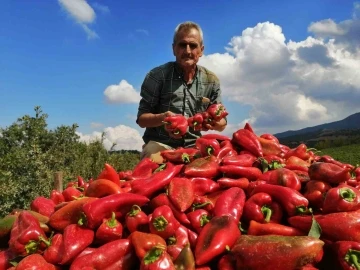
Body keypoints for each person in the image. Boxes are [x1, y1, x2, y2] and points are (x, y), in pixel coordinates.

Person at [136, 21, 227, 163]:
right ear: (174, 49)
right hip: (161, 144)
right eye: (182, 45)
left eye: (193, 45)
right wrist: (163, 118)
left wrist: (214, 122)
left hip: (195, 145)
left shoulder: (211, 80)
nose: (188, 51)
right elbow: (142, 119)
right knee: (151, 158)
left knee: (219, 165)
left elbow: (222, 123)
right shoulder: (157, 76)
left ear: (201, 50)